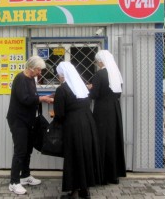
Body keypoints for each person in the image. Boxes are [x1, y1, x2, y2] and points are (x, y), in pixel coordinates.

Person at [6, 55, 54, 195]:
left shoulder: (31, 79)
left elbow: (32, 97)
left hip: (28, 120)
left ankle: (25, 176)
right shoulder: (20, 79)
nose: (40, 73)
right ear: (31, 68)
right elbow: (25, 99)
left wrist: (46, 97)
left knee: (28, 149)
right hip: (18, 121)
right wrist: (42, 98)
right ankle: (14, 182)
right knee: (20, 150)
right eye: (39, 70)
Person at [53, 61, 101, 199]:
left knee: (73, 157)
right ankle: (85, 190)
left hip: (73, 126)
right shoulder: (82, 87)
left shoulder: (62, 90)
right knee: (85, 156)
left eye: (59, 75)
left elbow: (60, 113)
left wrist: (56, 125)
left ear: (63, 75)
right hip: (88, 123)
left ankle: (73, 191)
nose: (58, 77)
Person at [87, 50, 126, 185]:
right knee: (113, 140)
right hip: (114, 110)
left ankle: (102, 176)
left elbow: (94, 95)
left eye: (97, 61)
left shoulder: (99, 74)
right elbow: (117, 92)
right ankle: (114, 175)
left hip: (102, 111)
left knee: (102, 141)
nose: (97, 63)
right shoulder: (116, 73)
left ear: (101, 61)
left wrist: (90, 88)